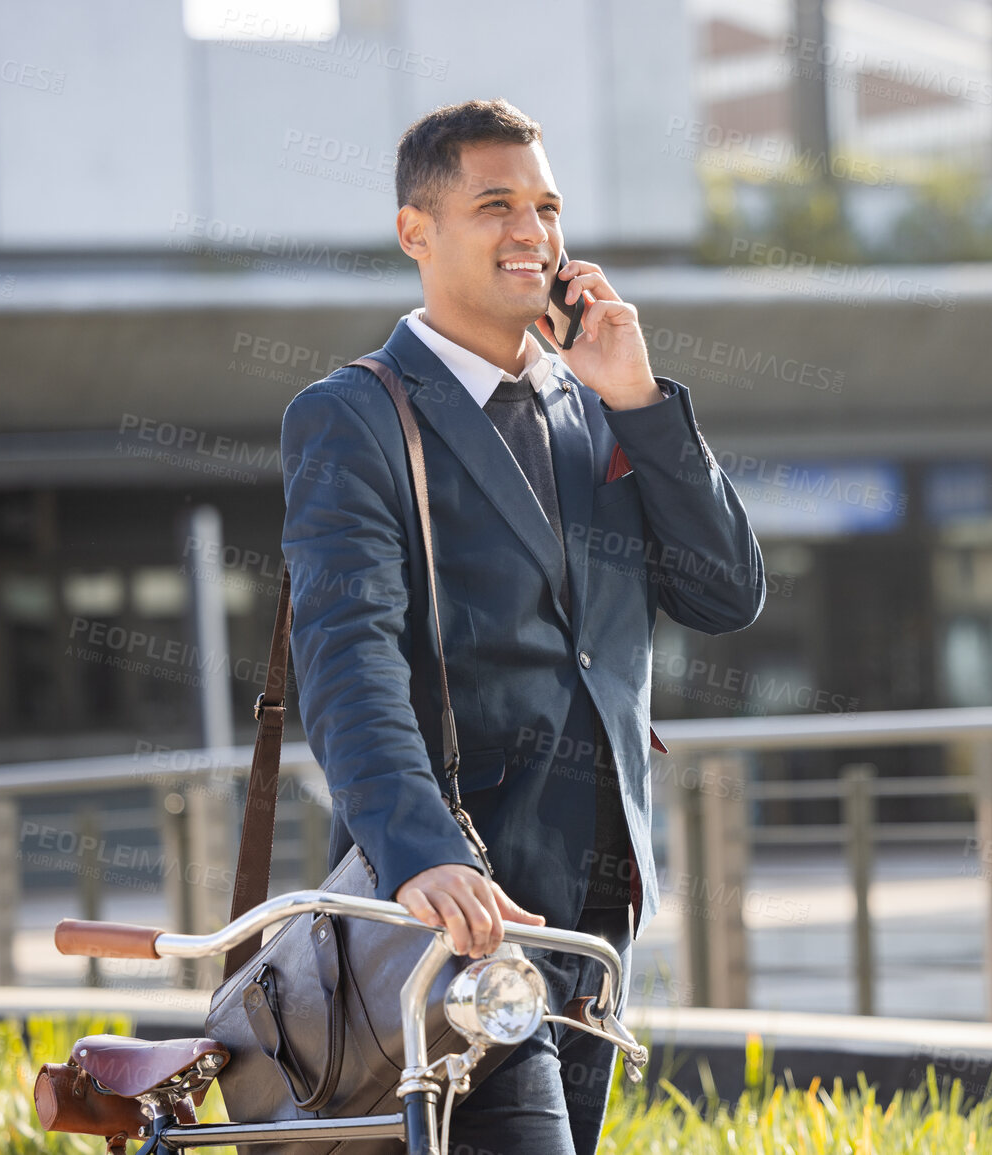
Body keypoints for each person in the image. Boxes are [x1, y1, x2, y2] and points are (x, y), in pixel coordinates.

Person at [279, 98, 765, 1154]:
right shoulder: (355, 416)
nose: (532, 232)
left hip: (598, 894)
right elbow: (347, 656)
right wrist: (418, 853)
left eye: (546, 206)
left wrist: (639, 400)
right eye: (495, 204)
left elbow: (725, 593)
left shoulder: (598, 403)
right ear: (418, 231)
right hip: (452, 903)